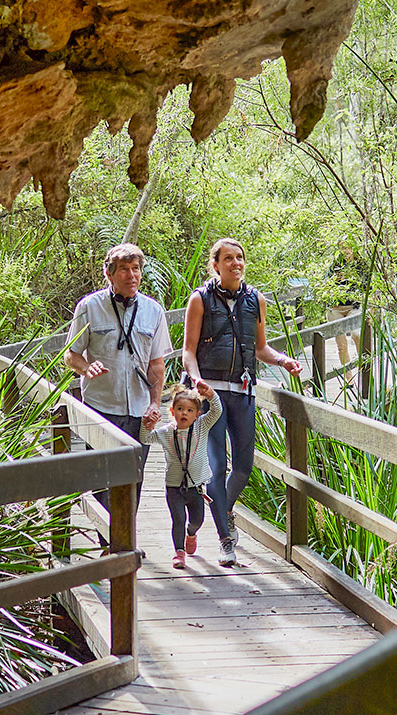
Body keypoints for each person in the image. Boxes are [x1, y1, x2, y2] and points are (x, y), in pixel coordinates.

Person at [181, 238, 304, 566]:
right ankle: (226, 539)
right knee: (218, 467)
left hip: (244, 391)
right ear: (215, 264)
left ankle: (217, 507)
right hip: (211, 395)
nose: (235, 263)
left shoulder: (256, 300)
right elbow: (188, 351)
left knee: (244, 468)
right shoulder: (200, 299)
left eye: (239, 258)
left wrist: (282, 361)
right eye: (228, 258)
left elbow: (261, 348)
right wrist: (196, 379)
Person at [65, 243, 169, 511]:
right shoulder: (89, 307)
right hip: (100, 407)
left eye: (136, 269)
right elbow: (71, 355)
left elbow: (157, 364)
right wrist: (86, 368)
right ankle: (107, 545)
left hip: (140, 410)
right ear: (109, 274)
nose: (131, 275)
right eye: (124, 269)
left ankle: (126, 542)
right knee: (101, 479)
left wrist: (155, 403)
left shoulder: (153, 311)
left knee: (134, 478)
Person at [145, 381, 221, 569]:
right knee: (178, 518)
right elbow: (146, 438)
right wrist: (147, 424)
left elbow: (216, 411)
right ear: (172, 411)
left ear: (197, 414)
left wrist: (210, 394)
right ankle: (179, 552)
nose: (184, 413)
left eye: (189, 410)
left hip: (195, 486)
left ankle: (191, 534)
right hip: (174, 486)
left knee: (197, 520)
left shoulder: (202, 427)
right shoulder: (166, 432)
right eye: (179, 409)